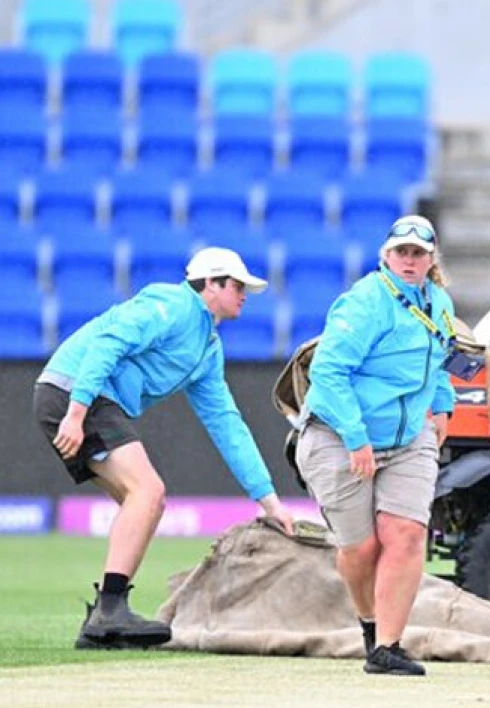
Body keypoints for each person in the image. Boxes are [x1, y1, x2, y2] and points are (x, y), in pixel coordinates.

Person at [33, 247, 297, 650]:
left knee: (145, 504)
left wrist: (270, 502)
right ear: (211, 284)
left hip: (80, 396)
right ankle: (109, 610)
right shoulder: (172, 303)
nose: (245, 294)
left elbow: (228, 427)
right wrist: (77, 410)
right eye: (238, 285)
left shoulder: (207, 348)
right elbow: (109, 340)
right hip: (75, 391)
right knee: (148, 491)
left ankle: (101, 622)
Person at [297, 215, 457, 676]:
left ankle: (387, 647)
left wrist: (442, 406)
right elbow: (328, 373)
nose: (410, 260)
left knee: (405, 535)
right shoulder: (365, 302)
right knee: (361, 549)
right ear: (386, 256)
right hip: (339, 435)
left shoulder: (439, 300)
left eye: (418, 254)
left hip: (409, 439)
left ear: (430, 260)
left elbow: (443, 357)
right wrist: (356, 437)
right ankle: (370, 626)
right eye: (401, 252)